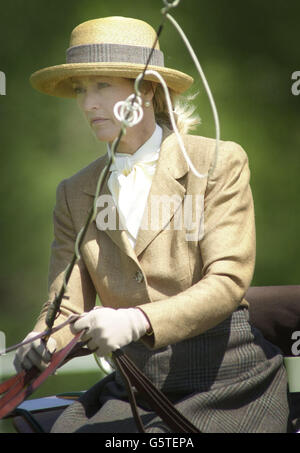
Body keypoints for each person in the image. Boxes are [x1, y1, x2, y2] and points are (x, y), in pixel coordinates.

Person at [14, 16, 291, 433]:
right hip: (134, 386)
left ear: (146, 89)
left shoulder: (218, 162)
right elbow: (64, 309)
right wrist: (43, 343)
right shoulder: (74, 192)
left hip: (225, 382)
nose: (87, 104)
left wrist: (137, 320)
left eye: (102, 86)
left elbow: (228, 280)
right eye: (80, 89)